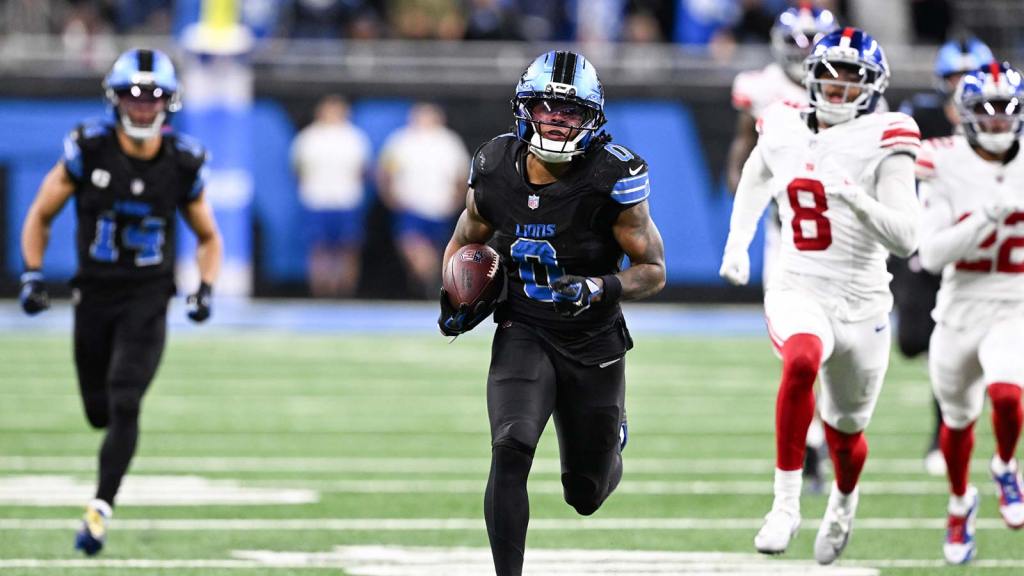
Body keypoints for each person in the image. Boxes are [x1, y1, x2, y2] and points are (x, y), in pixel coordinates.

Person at [437, 50, 665, 576]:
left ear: (593, 120)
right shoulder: (494, 166)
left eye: (571, 113)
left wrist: (598, 287)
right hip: (524, 328)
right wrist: (452, 298)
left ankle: (611, 441)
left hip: (593, 342)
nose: (558, 122)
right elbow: (463, 240)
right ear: (525, 109)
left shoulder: (613, 175)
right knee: (511, 446)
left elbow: (653, 270)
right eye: (547, 109)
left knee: (586, 492)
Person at [719, 28, 921, 564]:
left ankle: (843, 503)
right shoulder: (783, 121)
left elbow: (907, 236)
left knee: (847, 432)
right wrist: (738, 245)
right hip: (799, 283)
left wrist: (858, 201)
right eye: (829, 73)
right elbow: (757, 178)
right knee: (801, 359)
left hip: (865, 301)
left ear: (873, 85)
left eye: (851, 76)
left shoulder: (889, 136)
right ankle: (784, 506)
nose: (837, 86)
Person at [18, 48, 222, 556]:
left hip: (148, 296)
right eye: (133, 94)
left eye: (153, 95)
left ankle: (100, 508)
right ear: (115, 98)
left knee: (125, 396)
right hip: (93, 293)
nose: (142, 105)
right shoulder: (88, 148)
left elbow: (209, 237)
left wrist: (205, 287)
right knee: (99, 410)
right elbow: (40, 214)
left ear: (168, 102)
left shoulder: (182, 161)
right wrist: (33, 273)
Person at [726, 2, 839, 493]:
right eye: (799, 41)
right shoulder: (760, 87)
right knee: (799, 344)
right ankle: (811, 448)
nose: (808, 51)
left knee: (844, 344)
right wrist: (747, 204)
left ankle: (833, 432)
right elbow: (740, 158)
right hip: (784, 232)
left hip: (842, 234)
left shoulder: (848, 85)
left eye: (816, 40)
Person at [916, 61, 1024, 565]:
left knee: (1006, 394)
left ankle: (1005, 465)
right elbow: (932, 255)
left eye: (1007, 110)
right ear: (965, 113)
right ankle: (960, 503)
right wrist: (985, 217)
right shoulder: (943, 161)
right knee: (957, 423)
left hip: (1014, 304)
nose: (999, 121)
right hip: (959, 307)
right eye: (987, 110)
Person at [894, 36, 995, 477]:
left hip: (985, 249)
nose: (964, 86)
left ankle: (945, 435)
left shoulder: (1005, 123)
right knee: (914, 340)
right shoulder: (921, 116)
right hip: (929, 239)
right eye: (956, 77)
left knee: (959, 342)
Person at [378, 102, 469, 297]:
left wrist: (457, 200)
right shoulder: (402, 141)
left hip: (438, 206)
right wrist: (391, 197)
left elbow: (462, 175)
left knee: (434, 249)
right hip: (411, 205)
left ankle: (425, 286)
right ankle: (426, 283)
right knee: (412, 246)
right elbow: (385, 172)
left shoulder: (449, 142)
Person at [291, 94, 371, 297]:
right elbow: (297, 169)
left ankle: (344, 293)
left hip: (346, 200)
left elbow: (363, 169)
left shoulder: (354, 137)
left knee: (348, 249)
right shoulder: (309, 138)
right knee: (319, 249)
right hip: (317, 201)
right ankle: (321, 293)